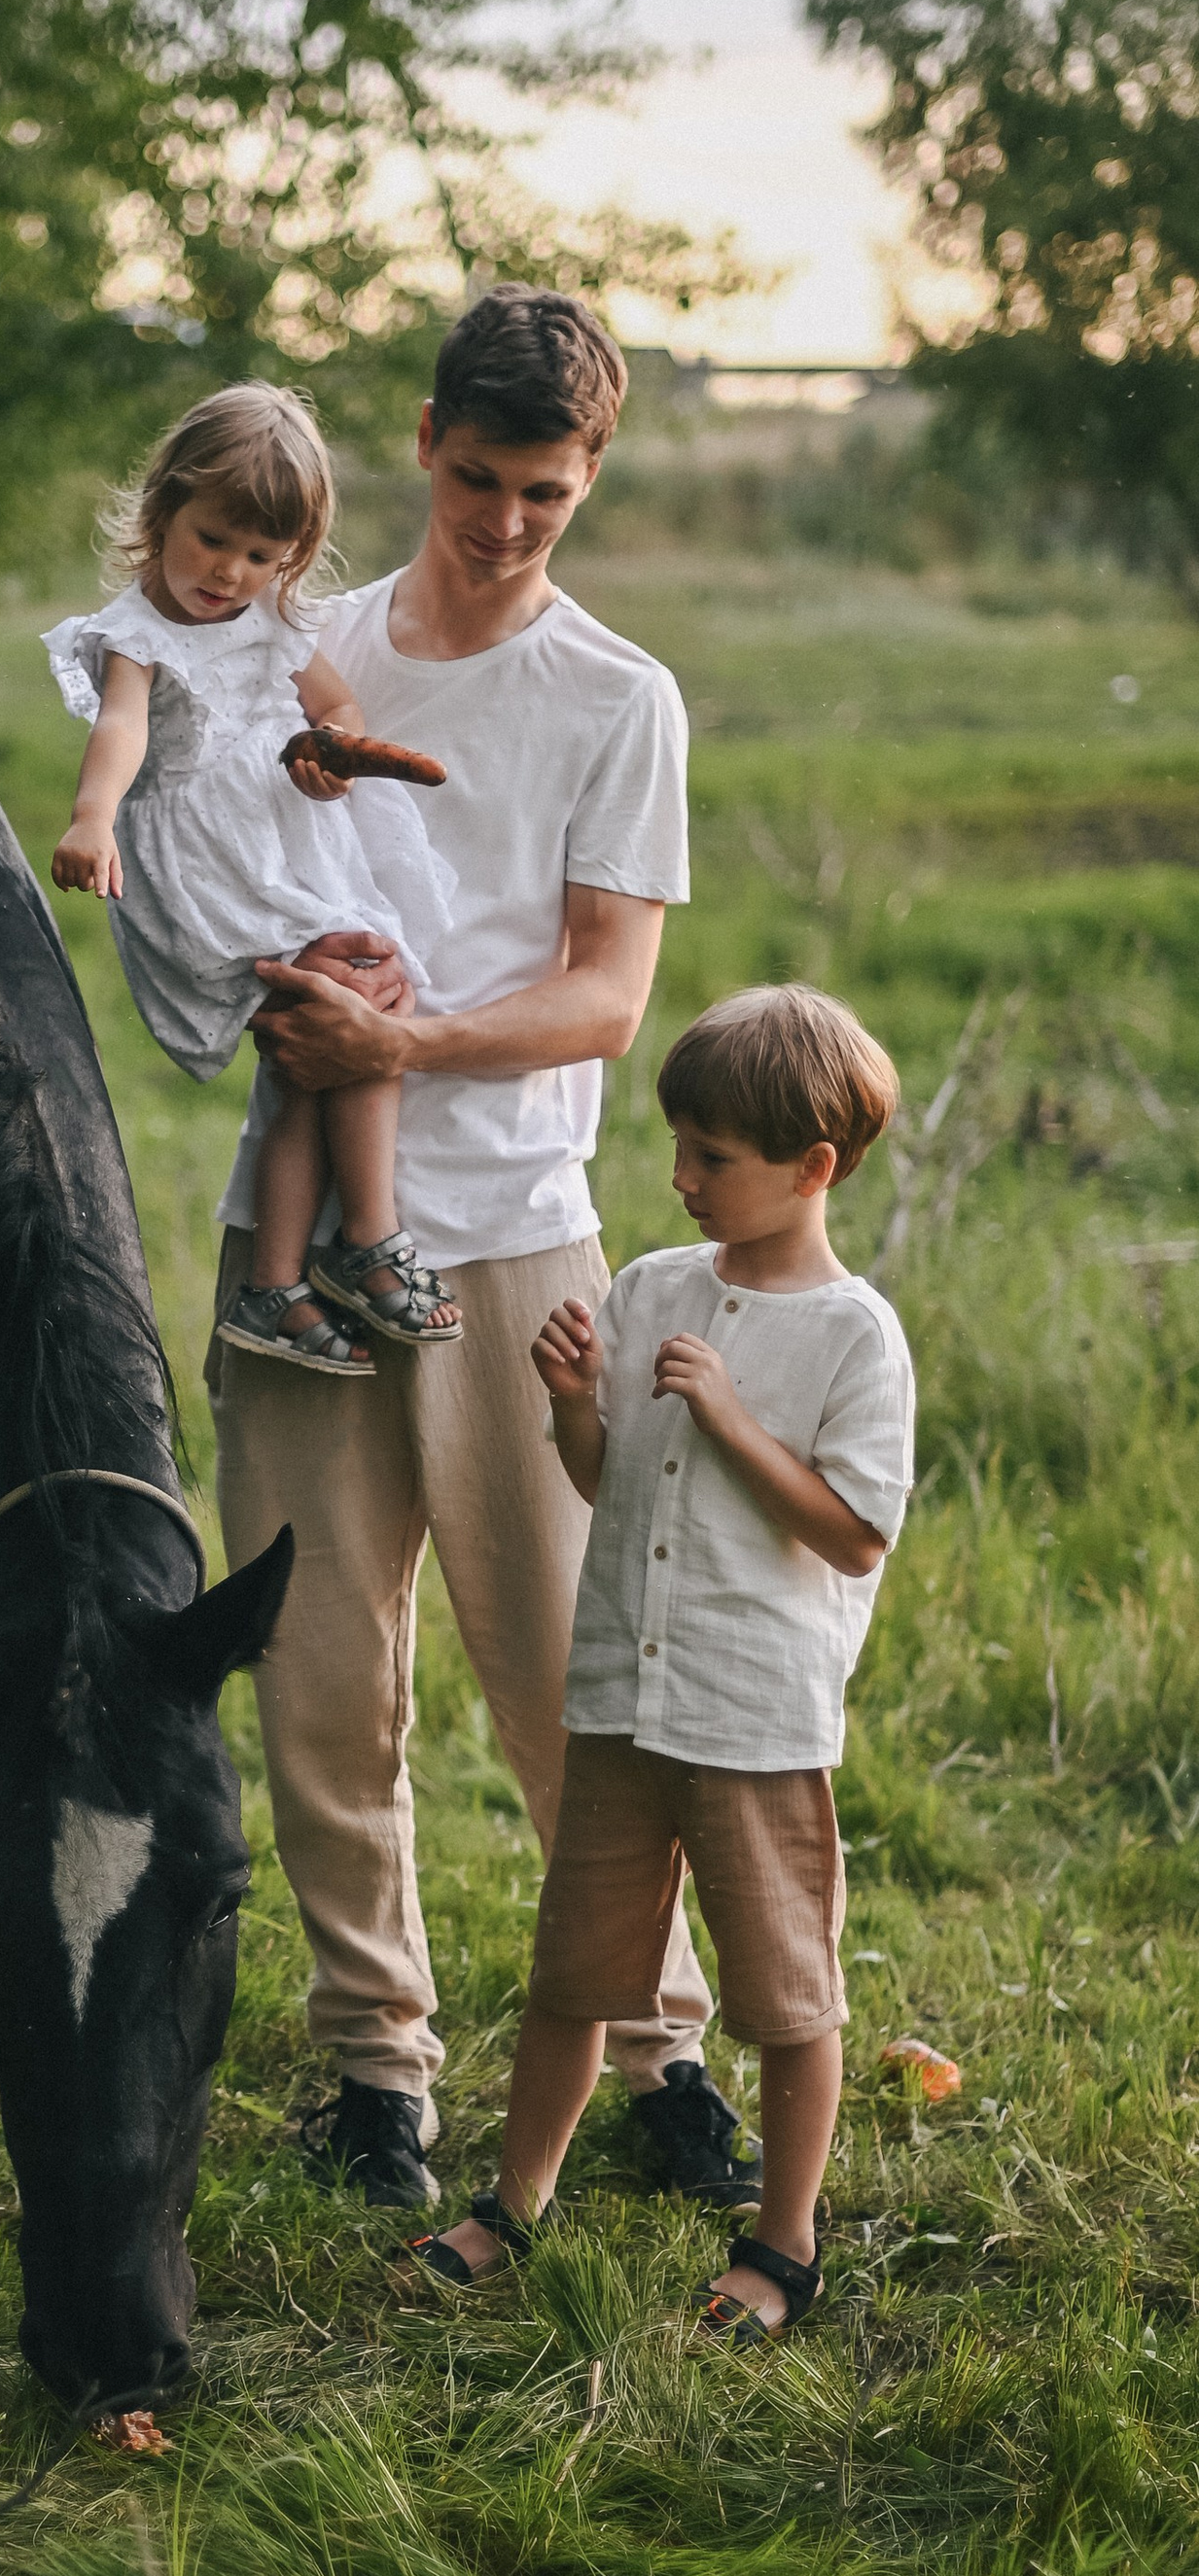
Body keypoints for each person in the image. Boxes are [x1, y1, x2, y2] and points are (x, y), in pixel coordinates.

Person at [210, 287, 753, 2213]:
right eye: (471, 476)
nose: (503, 519)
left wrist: (405, 1042)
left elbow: (607, 994)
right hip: (294, 1242)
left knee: (571, 1673)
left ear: (584, 475)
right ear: (418, 434)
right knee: (315, 1671)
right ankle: (377, 2067)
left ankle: (660, 2042)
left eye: (544, 491)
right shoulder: (297, 655)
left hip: (520, 1243)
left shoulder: (616, 698)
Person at [408, 988, 913, 2334]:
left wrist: (737, 1421)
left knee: (782, 1995)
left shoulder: (856, 1334)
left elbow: (856, 1535)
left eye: (713, 1159)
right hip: (625, 1701)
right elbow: (601, 1480)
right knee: (575, 1971)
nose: (681, 1179)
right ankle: (512, 2204)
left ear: (813, 1168)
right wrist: (575, 1401)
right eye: (677, 1148)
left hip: (754, 1718)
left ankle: (783, 2243)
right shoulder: (648, 1289)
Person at [46, 383, 461, 1359]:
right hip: (212, 869)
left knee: (312, 1050)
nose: (228, 573)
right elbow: (122, 727)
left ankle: (271, 1283)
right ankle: (367, 1237)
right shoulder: (136, 635)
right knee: (356, 993)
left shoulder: (272, 615)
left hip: (288, 837)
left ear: (292, 556)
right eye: (211, 539)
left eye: (260, 555)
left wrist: (334, 750)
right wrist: (91, 817)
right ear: (162, 512)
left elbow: (338, 703)